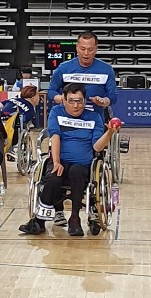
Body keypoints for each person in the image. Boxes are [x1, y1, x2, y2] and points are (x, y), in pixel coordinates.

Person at [20, 82, 119, 236]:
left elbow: (97, 147)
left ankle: (74, 219)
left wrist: (110, 132)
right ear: (64, 100)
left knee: (77, 171)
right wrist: (57, 162)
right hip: (60, 160)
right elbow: (55, 137)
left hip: (83, 165)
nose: (75, 105)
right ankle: (39, 220)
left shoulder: (94, 117)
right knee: (54, 178)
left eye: (79, 101)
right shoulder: (56, 112)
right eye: (71, 101)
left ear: (84, 101)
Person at [48, 30, 118, 115]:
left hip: (95, 116)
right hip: (68, 116)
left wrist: (103, 101)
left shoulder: (106, 70)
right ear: (77, 48)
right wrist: (62, 99)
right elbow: (51, 91)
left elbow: (113, 95)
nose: (86, 53)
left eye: (90, 49)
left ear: (96, 49)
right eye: (82, 49)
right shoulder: (63, 68)